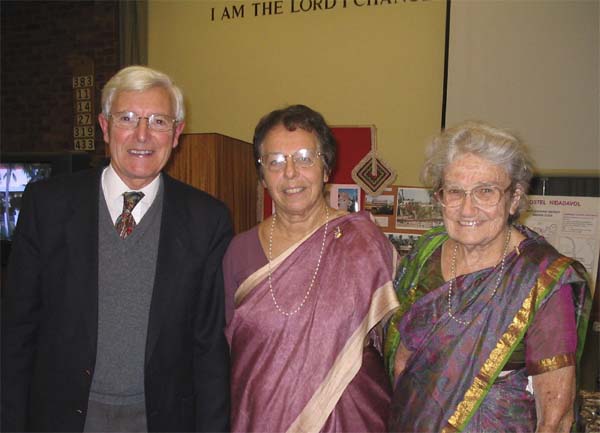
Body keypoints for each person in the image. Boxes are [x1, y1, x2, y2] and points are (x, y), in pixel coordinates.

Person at [1, 66, 232, 432]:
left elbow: (208, 348)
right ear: (105, 128)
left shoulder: (207, 220)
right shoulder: (47, 205)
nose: (142, 135)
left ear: (176, 134)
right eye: (127, 118)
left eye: (158, 120)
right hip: (62, 415)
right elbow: (16, 331)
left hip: (162, 418)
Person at [384, 121, 592, 433]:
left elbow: (556, 416)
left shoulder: (541, 278)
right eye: (455, 191)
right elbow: (399, 356)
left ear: (514, 198)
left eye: (486, 191)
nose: (468, 208)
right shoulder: (425, 253)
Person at [223, 104, 399, 432]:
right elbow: (227, 355)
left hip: (352, 421)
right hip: (263, 420)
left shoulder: (364, 243)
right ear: (262, 176)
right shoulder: (239, 251)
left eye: (305, 158)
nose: (290, 173)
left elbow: (398, 346)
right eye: (275, 162)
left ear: (326, 167)